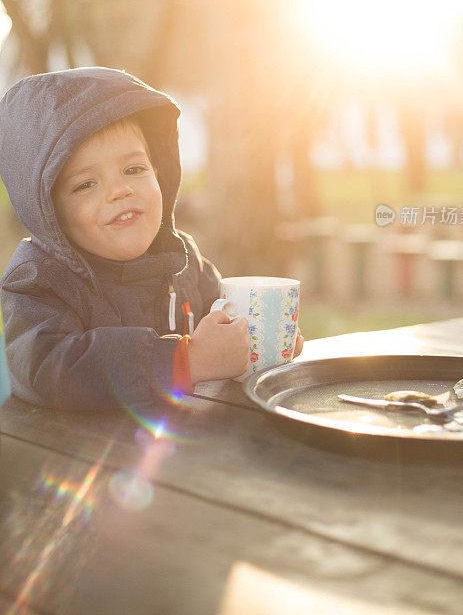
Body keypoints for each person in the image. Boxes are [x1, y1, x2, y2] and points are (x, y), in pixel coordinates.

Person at [0, 67, 303, 410]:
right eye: (86, 184)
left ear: (160, 171)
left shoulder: (182, 258)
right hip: (77, 456)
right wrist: (188, 360)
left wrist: (256, 340)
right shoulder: (39, 280)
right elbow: (49, 369)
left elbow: (224, 321)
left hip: (191, 452)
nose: (120, 189)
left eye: (133, 169)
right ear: (47, 210)